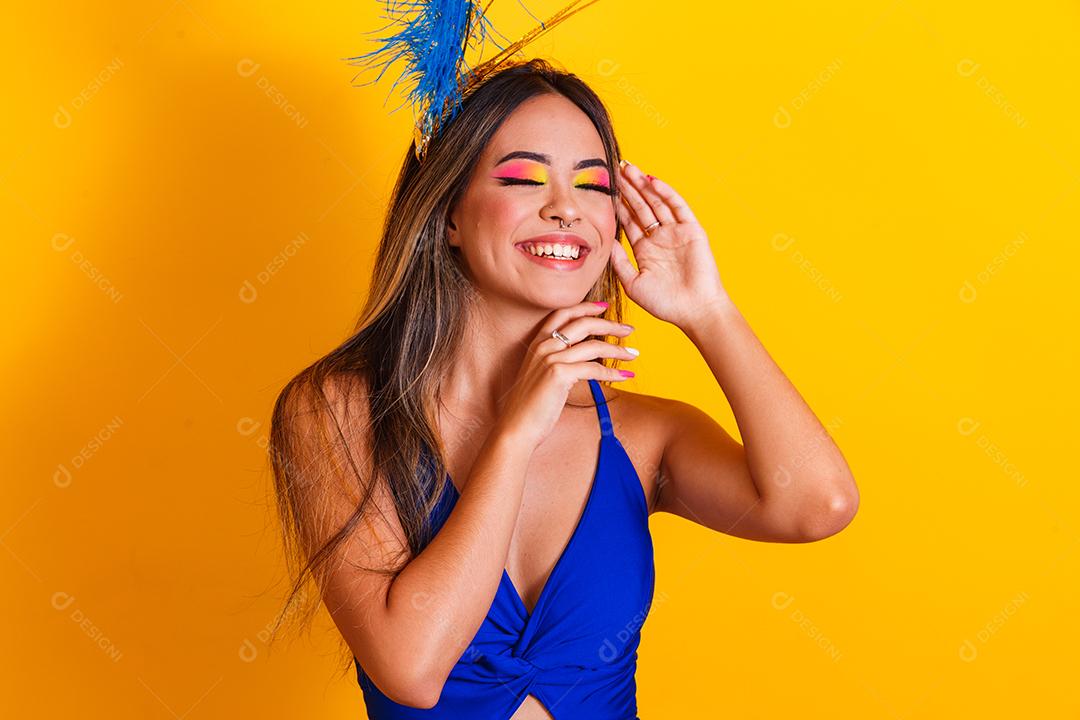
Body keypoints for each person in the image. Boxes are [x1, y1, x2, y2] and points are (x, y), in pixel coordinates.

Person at [268, 58, 859, 719]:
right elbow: (411, 668)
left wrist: (709, 311)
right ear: (449, 215)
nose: (565, 208)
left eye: (593, 186)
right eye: (522, 177)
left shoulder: (644, 436)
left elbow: (820, 505)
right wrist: (516, 433)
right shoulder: (337, 412)